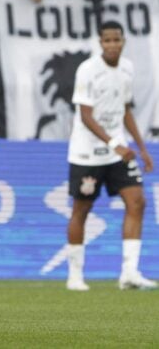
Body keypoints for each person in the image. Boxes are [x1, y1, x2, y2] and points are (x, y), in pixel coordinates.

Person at [66, 20, 156, 292]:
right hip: (87, 153)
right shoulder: (88, 70)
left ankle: (129, 274)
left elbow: (125, 110)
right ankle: (75, 276)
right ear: (100, 42)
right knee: (82, 209)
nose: (112, 44)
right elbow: (85, 115)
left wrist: (141, 148)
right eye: (107, 40)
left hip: (119, 152)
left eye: (117, 39)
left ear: (123, 41)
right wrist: (115, 143)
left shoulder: (128, 68)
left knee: (137, 201)